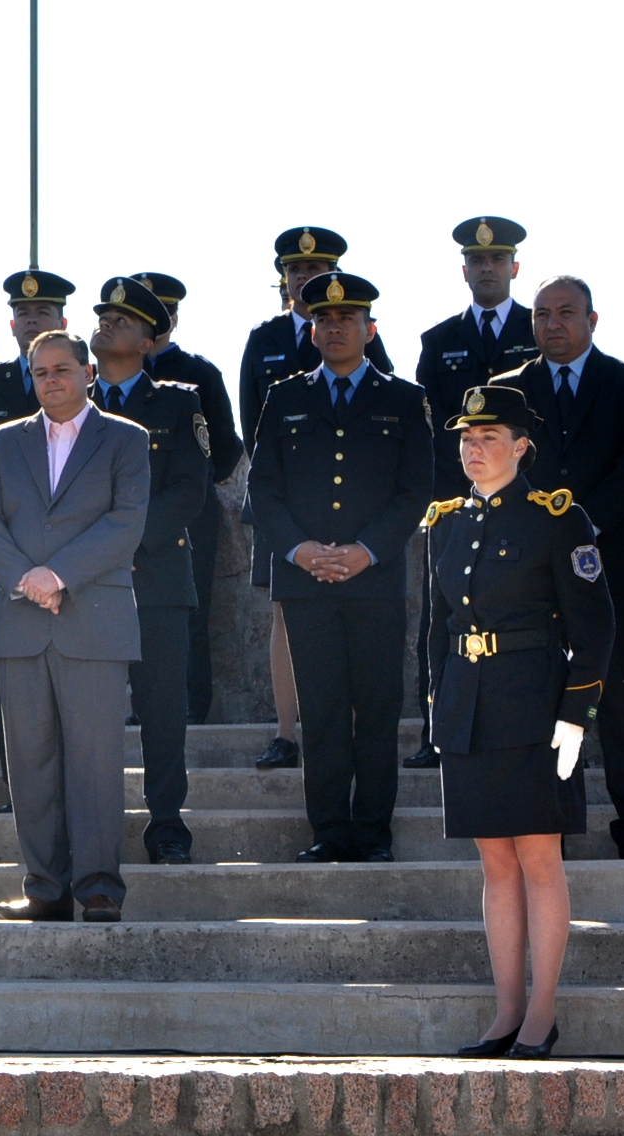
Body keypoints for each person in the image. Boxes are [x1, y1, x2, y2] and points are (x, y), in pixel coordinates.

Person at [422, 384, 611, 1061]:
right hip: (469, 705)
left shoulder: (558, 519)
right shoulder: (444, 521)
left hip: (537, 707)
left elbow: (595, 630)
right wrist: (437, 710)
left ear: (522, 445)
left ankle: (541, 1013)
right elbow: (437, 629)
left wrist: (577, 717)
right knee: (494, 864)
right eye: (467, 439)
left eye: (490, 438)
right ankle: (504, 1013)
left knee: (538, 859)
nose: (475, 449)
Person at [246, 271, 432, 862]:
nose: (333, 328)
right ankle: (328, 828)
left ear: (369, 329)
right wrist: (301, 551)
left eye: (346, 319)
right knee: (322, 711)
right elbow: (263, 489)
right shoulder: (285, 396)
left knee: (375, 709)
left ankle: (373, 831)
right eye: (323, 319)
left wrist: (365, 551)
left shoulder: (404, 399)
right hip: (305, 582)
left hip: (373, 580)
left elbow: (416, 489)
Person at [0, 330, 150, 921]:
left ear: (87, 371)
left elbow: (127, 522)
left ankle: (98, 887)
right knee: (30, 763)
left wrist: (59, 575)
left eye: (62, 369)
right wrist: (29, 579)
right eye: (40, 371)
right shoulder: (2, 442)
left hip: (93, 622)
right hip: (21, 623)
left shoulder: (126, 438)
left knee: (97, 762)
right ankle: (44, 889)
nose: (51, 379)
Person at [492, 276, 624, 858]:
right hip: (530, 572)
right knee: (543, 700)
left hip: (609, 560)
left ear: (593, 320)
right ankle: (552, 825)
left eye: (566, 313)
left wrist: (581, 523)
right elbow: (494, 467)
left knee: (619, 697)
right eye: (542, 314)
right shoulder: (505, 391)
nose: (552, 324)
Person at [237, 229, 394, 770]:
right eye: (296, 271)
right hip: (286, 510)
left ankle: (342, 729)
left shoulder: (359, 333)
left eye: (318, 269)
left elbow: (385, 408)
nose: (306, 279)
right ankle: (286, 732)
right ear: (283, 278)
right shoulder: (265, 339)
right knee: (286, 614)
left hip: (354, 514)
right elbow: (250, 426)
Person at [408, 218, 541, 769]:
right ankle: (435, 732)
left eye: (497, 260)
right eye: (477, 261)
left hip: (522, 505)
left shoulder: (538, 336)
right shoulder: (439, 342)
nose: (487, 268)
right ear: (464, 270)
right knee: (438, 620)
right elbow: (429, 425)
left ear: (514, 268)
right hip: (456, 506)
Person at [91, 276, 211, 864]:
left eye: (123, 320)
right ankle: (89, 821)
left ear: (148, 341)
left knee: (163, 712)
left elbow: (191, 490)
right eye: (102, 316)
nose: (106, 323)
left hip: (156, 581)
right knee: (88, 717)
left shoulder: (178, 402)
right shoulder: (70, 402)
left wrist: (120, 542)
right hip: (82, 587)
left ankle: (166, 823)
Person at [0, 270, 76, 698]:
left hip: (64, 550)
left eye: (42, 312)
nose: (31, 321)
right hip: (2, 543)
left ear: (64, 324)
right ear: (10, 325)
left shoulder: (80, 383)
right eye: (22, 313)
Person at [134, 271, 245, 724]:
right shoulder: (107, 375)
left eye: (159, 313)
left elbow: (225, 445)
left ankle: (192, 705)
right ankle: (140, 707)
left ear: (174, 319)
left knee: (189, 610)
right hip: (122, 516)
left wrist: (191, 486)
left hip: (187, 513)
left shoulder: (198, 374)